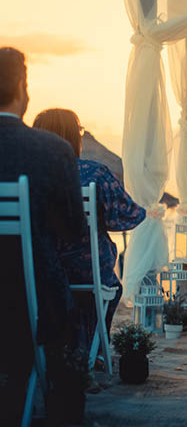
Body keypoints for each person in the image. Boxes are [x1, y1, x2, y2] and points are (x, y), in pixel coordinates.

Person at [0, 47, 86, 424]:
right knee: (63, 333)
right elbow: (73, 231)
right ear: (22, 88)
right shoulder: (53, 151)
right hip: (31, 299)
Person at [32, 108, 145, 366]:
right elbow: (126, 218)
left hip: (40, 271)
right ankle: (91, 352)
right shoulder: (95, 173)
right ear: (75, 137)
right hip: (88, 271)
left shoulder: (32, 177)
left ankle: (67, 348)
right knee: (109, 288)